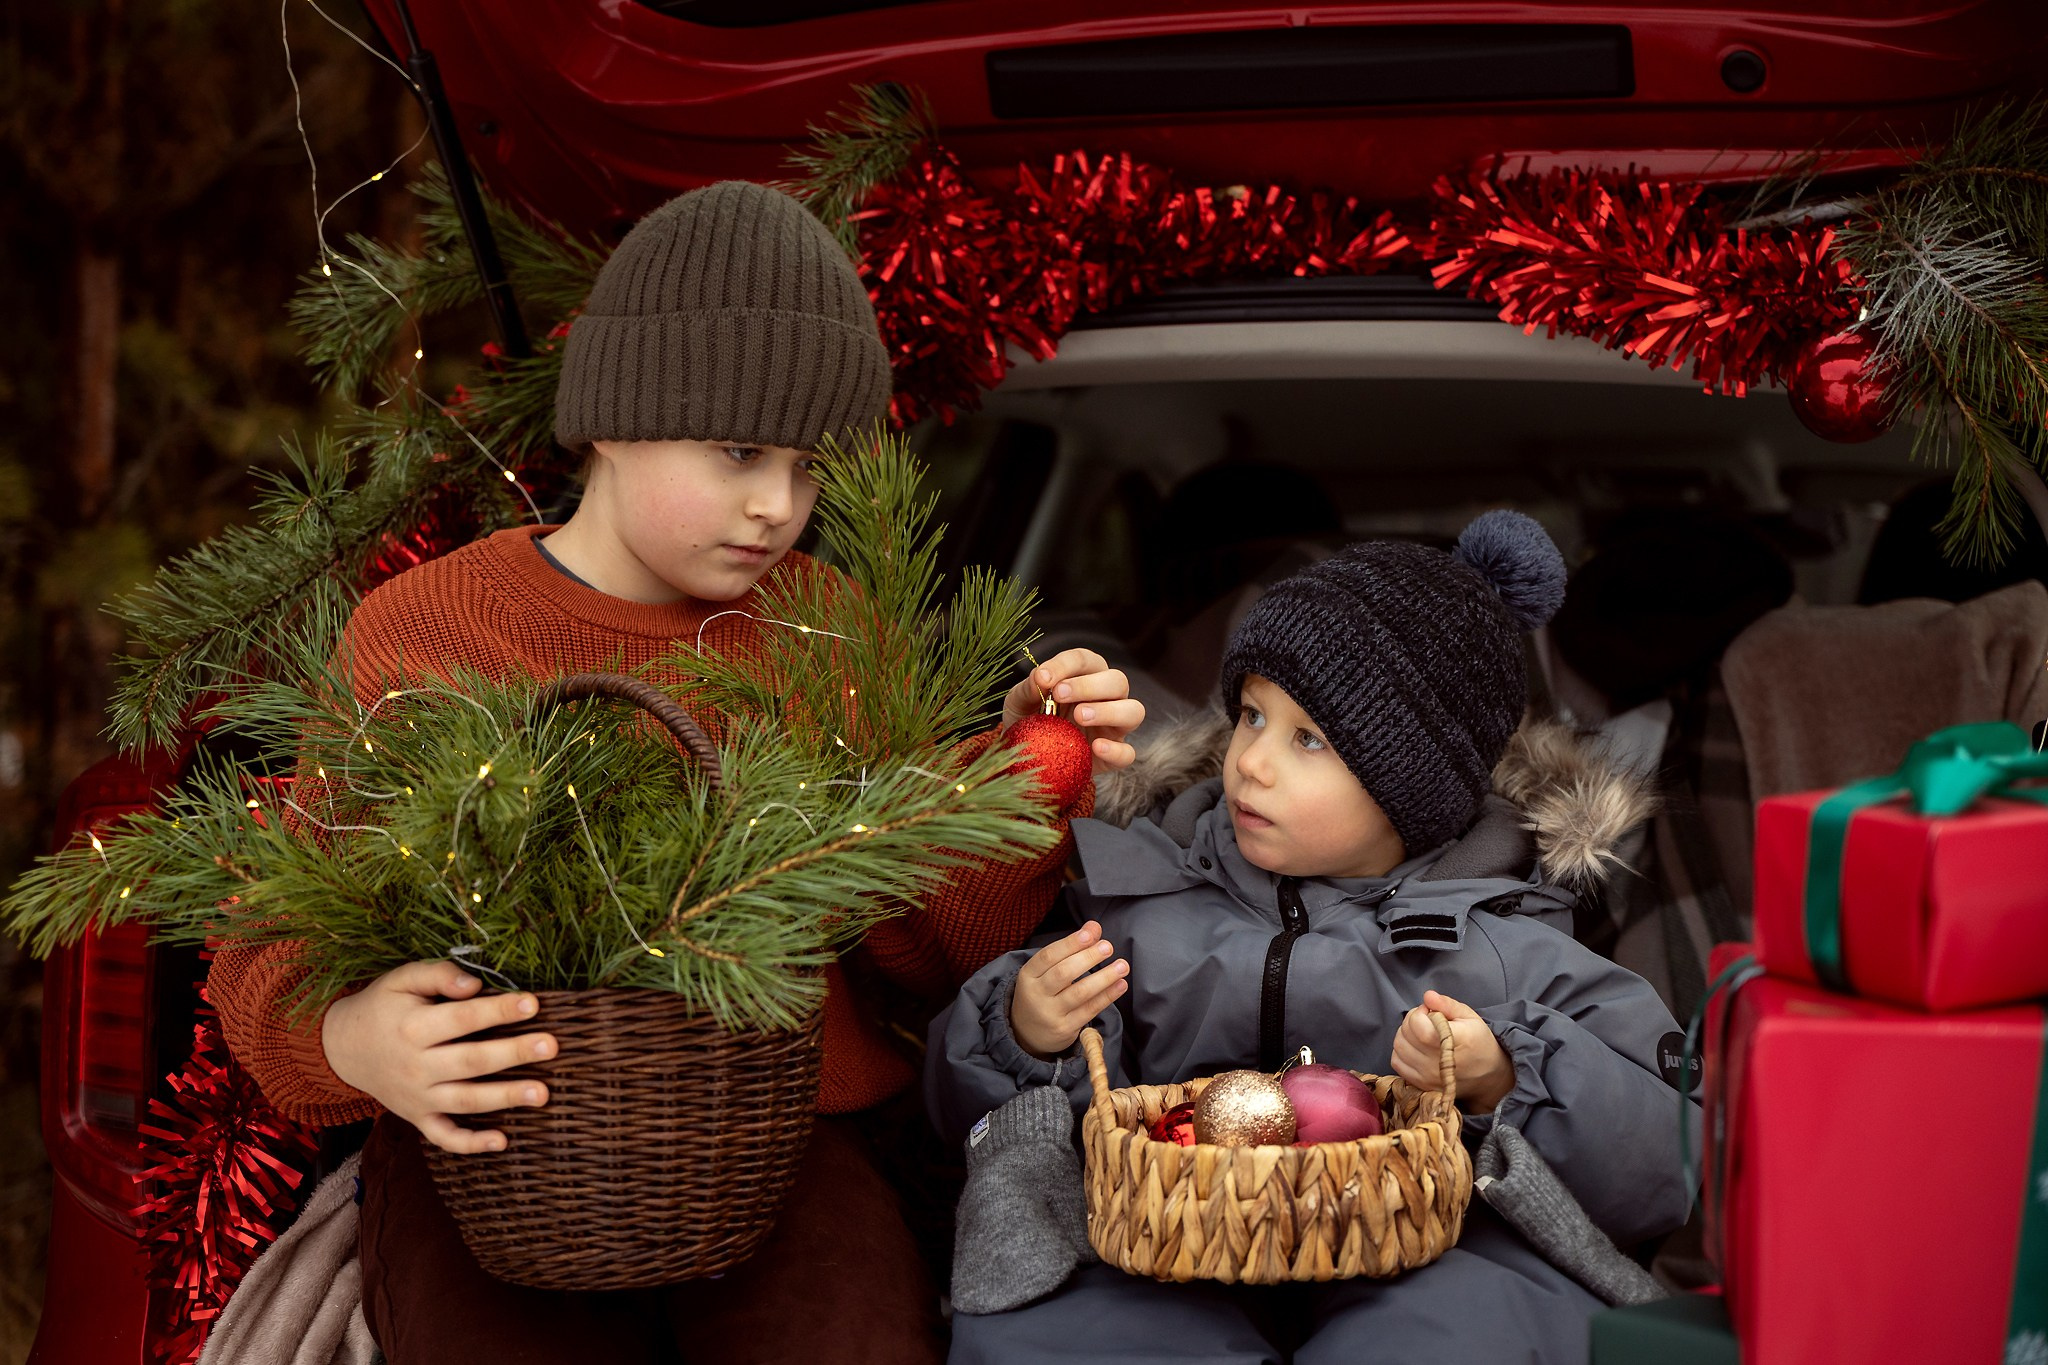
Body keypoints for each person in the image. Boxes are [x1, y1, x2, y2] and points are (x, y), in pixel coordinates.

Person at [206, 180, 1146, 1365]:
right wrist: (350, 1040)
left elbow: (914, 938)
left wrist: (1012, 781)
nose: (775, 507)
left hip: (788, 1130)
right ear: (610, 420)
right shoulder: (430, 630)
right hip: (493, 1136)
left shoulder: (822, 626)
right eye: (738, 451)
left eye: (807, 466)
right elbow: (278, 931)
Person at [928, 511, 1694, 1365]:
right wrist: (1027, 1035)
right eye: (1252, 714)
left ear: (1413, 792)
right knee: (1058, 1316)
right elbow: (961, 1111)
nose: (1252, 760)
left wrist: (1506, 1078)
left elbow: (1668, 1158)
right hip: (1165, 1242)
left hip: (1430, 1249)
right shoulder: (1140, 891)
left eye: (1309, 739)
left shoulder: (1511, 942)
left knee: (1472, 1321)